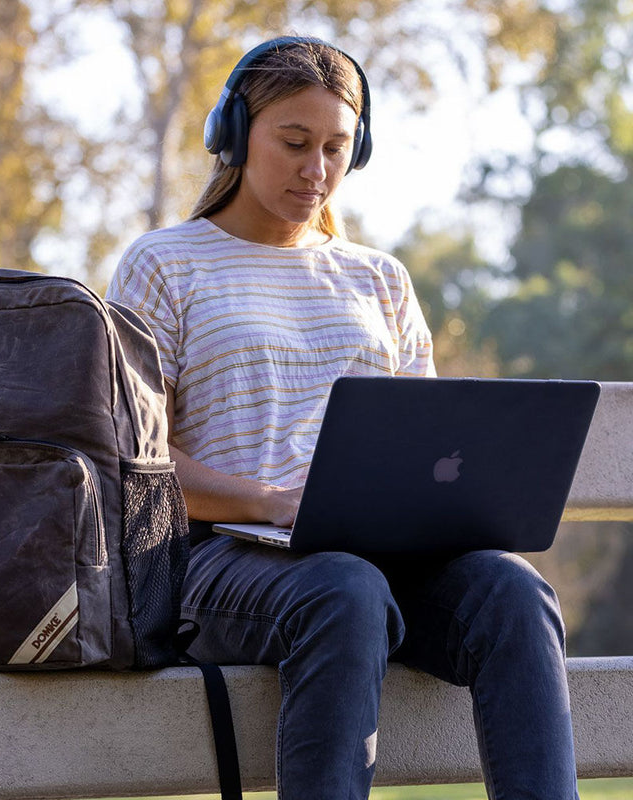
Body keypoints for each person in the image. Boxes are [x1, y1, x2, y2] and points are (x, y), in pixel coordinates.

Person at [106, 35, 579, 800]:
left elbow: (432, 439)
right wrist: (270, 503)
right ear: (232, 135)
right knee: (345, 588)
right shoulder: (165, 264)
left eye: (335, 147)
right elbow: (134, 466)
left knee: (514, 594)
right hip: (223, 558)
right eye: (293, 143)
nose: (316, 170)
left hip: (374, 559)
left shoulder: (379, 279)